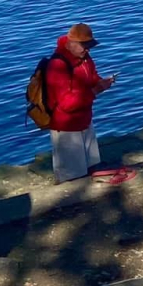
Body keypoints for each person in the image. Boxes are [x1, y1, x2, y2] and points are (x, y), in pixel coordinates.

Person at [45, 23, 117, 183]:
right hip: (66, 127)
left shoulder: (84, 58)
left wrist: (101, 82)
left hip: (84, 119)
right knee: (72, 177)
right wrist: (95, 91)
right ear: (71, 43)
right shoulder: (58, 65)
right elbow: (67, 104)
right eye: (84, 46)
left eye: (89, 46)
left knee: (91, 167)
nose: (87, 50)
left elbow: (91, 76)